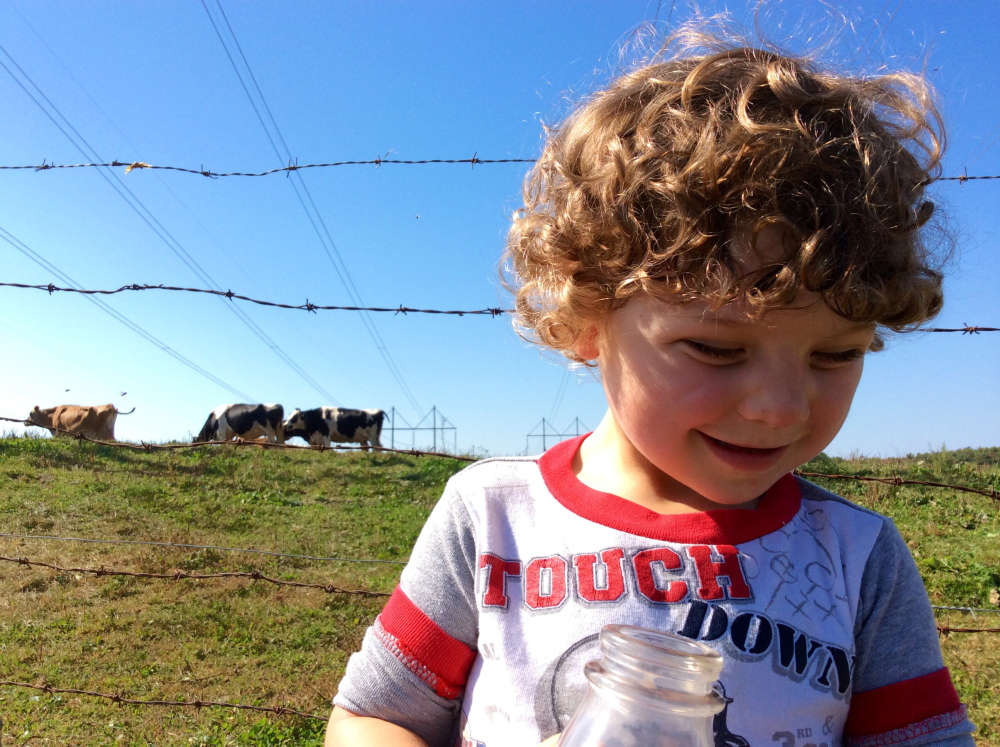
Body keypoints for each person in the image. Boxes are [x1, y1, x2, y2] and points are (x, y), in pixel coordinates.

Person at [325, 24, 977, 747]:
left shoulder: (857, 561)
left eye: (835, 354)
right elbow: (374, 717)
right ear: (588, 316)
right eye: (715, 347)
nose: (780, 407)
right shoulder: (492, 519)